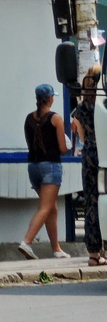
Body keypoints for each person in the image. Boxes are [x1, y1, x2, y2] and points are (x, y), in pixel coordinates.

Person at [18, 83, 71, 260]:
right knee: (45, 207)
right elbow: (63, 149)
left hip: (33, 166)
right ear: (49, 98)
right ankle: (27, 242)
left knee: (52, 208)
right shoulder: (55, 119)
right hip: (50, 166)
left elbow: (30, 144)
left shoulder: (28, 118)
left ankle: (56, 249)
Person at [72, 65, 104, 265]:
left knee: (91, 201)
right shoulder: (104, 104)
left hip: (90, 155)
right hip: (105, 153)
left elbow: (82, 137)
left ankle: (93, 253)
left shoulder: (81, 109)